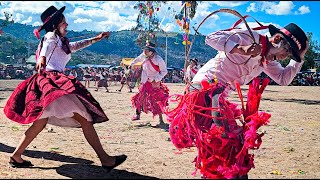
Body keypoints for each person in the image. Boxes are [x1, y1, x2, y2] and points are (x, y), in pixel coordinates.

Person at [163, 22, 309, 179]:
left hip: (218, 98)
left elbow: (283, 78)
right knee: (225, 144)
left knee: (232, 149)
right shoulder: (251, 37)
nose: (286, 57)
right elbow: (211, 38)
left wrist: (299, 58)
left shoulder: (267, 61)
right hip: (204, 91)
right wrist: (242, 50)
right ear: (277, 38)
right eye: (288, 51)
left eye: (290, 54)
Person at [3, 5, 127, 171]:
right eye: (64, 22)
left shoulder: (61, 42)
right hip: (53, 83)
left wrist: (97, 38)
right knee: (84, 118)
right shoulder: (50, 36)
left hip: (49, 83)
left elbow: (77, 45)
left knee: (40, 123)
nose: (67, 25)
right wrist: (42, 58)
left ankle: (16, 156)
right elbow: (46, 46)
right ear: (55, 24)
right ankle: (105, 160)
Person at [129, 41, 169, 128]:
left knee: (157, 100)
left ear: (152, 51)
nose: (145, 52)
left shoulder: (158, 59)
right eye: (145, 50)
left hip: (154, 82)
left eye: (147, 50)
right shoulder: (144, 55)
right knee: (140, 97)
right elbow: (137, 59)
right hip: (144, 81)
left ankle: (161, 120)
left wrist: (156, 79)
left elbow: (164, 71)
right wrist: (132, 64)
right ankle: (137, 114)